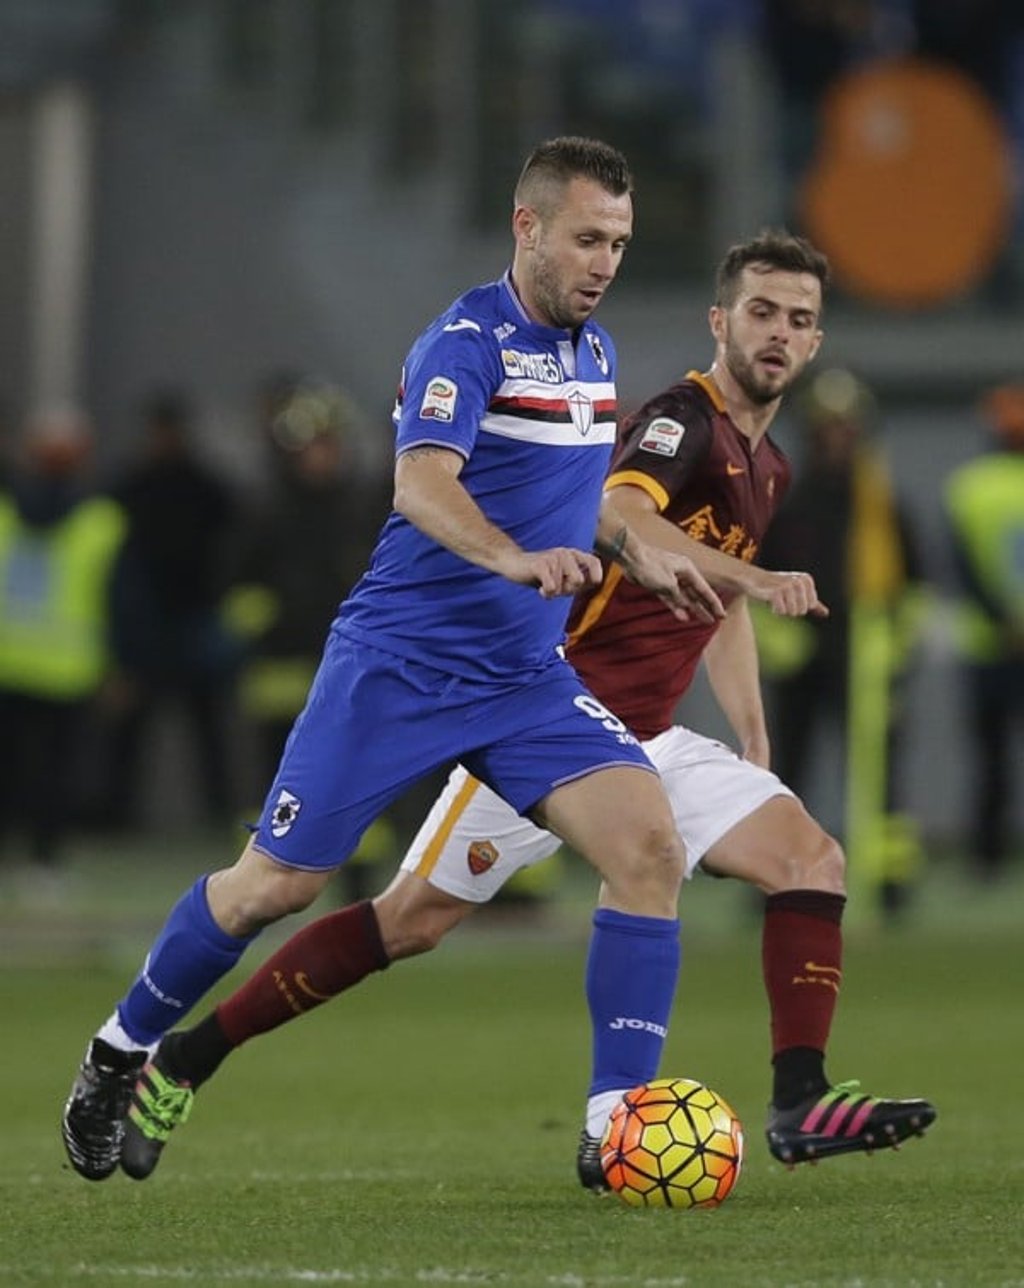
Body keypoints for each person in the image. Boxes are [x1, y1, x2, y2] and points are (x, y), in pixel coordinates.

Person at [76, 229, 936, 1187]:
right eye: (761, 311)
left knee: (802, 859)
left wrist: (754, 734)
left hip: (636, 735)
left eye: (798, 319)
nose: (778, 332)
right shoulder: (677, 421)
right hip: (536, 702)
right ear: (719, 321)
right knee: (401, 919)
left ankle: (767, 1102)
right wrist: (745, 574)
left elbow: (716, 600)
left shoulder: (765, 465)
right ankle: (188, 1054)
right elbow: (630, 514)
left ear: (816, 342)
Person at [61, 135, 729, 1183]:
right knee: (273, 888)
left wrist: (635, 549)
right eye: (587, 239)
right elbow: (421, 485)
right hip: (401, 667)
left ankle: (614, 1130)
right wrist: (512, 559)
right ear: (527, 227)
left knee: (647, 850)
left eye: (619, 243)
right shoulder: (462, 342)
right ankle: (120, 1048)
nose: (605, 263)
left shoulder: (593, 356)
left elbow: (580, 490)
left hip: (524, 680)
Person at [756, 369, 927, 914]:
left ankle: (889, 883)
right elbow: (750, 581)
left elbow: (913, 587)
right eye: (827, 427)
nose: (837, 437)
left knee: (880, 777)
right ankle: (779, 881)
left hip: (865, 662)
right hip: (802, 662)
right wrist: (779, 641)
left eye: (846, 427)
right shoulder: (784, 502)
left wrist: (892, 648)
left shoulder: (882, 507)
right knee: (787, 773)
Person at [91, 389, 239, 831]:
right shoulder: (131, 487)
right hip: (146, 626)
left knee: (207, 727)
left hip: (195, 621)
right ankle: (116, 816)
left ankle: (219, 814)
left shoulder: (207, 489)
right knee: (130, 732)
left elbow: (231, 553)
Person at [0, 406, 126, 885]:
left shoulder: (5, 513)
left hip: (8, 660)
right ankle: (44, 862)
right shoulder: (102, 521)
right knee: (54, 774)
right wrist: (121, 664)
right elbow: (121, 600)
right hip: (68, 667)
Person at [943, 383, 1024, 881]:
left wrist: (1002, 618)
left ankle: (986, 857)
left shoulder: (968, 485)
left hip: (987, 642)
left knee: (990, 757)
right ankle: (987, 854)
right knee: (991, 757)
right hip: (990, 643)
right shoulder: (970, 485)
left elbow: (962, 565)